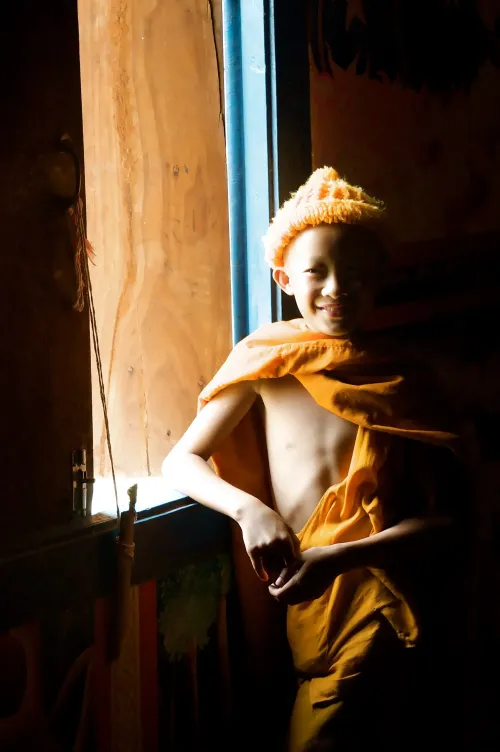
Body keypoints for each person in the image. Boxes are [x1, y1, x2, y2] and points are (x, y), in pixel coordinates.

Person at [162, 167, 463, 751]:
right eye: (315, 272)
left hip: (381, 599)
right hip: (307, 605)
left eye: (354, 272)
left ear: (378, 277)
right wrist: (252, 513)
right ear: (282, 278)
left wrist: (344, 555)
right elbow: (183, 461)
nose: (336, 287)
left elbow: (450, 521)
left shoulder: (403, 383)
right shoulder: (269, 364)